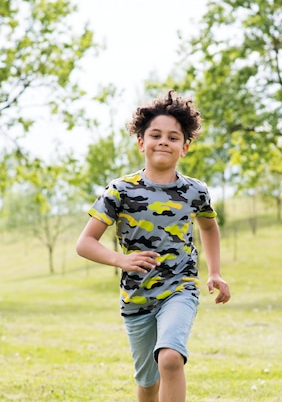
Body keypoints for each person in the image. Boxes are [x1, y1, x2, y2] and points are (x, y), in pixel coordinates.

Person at [76, 89, 231, 402]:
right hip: (136, 297)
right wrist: (122, 260)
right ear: (141, 142)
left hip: (180, 287)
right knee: (148, 383)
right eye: (155, 135)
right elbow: (85, 243)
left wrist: (214, 272)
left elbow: (209, 228)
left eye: (173, 137)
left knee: (171, 359)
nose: (163, 141)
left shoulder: (195, 192)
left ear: (185, 147)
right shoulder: (119, 192)